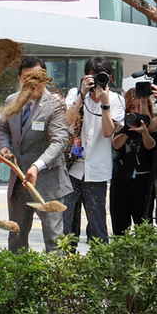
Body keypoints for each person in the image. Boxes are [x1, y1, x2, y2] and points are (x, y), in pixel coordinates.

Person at [0, 58, 68, 252]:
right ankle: (18, 282)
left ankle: (55, 282)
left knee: (54, 241)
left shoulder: (55, 104)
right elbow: (2, 129)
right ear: (20, 79)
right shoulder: (12, 100)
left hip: (48, 182)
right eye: (27, 77)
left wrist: (37, 165)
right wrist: (5, 147)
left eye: (38, 76)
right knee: (16, 239)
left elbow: (59, 140)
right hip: (18, 182)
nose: (33, 82)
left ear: (46, 77)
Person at [63, 57, 124, 247]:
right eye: (92, 76)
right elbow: (65, 124)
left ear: (109, 78)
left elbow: (108, 132)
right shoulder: (75, 94)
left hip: (96, 172)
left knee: (97, 225)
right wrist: (81, 96)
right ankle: (66, 267)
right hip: (72, 169)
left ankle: (99, 268)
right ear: (85, 77)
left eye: (100, 76)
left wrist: (104, 103)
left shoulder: (116, 100)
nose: (96, 81)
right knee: (66, 224)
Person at [110, 86, 157, 233]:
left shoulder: (153, 123)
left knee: (143, 227)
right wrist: (128, 130)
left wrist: (144, 131)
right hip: (121, 179)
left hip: (143, 181)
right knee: (119, 227)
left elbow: (151, 146)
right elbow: (116, 145)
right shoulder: (122, 123)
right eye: (132, 107)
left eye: (139, 107)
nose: (136, 111)